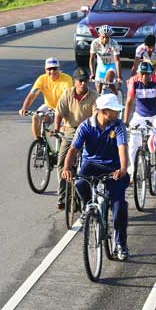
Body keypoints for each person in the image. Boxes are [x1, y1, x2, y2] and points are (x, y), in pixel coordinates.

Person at [61, 94, 130, 259]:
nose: (118, 113)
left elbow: (122, 148)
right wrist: (66, 167)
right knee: (79, 182)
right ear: (105, 112)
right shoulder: (86, 126)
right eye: (115, 110)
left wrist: (122, 168)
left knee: (118, 205)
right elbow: (73, 149)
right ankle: (87, 205)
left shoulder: (118, 125)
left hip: (113, 168)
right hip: (91, 165)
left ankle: (121, 243)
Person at [53, 68, 98, 210]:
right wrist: (56, 128)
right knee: (61, 161)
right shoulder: (67, 94)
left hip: (88, 130)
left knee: (91, 162)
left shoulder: (94, 96)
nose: (83, 84)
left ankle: (91, 194)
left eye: (85, 81)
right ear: (74, 82)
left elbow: (96, 117)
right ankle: (62, 196)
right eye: (80, 81)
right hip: (70, 130)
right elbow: (59, 113)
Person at [123, 61, 156, 177]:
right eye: (142, 74)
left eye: (147, 74)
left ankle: (155, 161)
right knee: (133, 144)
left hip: (155, 115)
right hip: (139, 115)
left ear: (151, 74)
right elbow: (129, 101)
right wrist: (125, 121)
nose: (144, 77)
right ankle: (133, 170)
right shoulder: (133, 81)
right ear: (138, 73)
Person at [19, 57, 73, 138]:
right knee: (35, 117)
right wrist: (24, 107)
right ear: (45, 69)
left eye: (54, 69)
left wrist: (60, 112)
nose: (52, 71)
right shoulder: (42, 79)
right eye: (49, 69)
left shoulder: (66, 79)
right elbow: (32, 95)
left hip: (63, 108)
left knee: (62, 132)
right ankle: (39, 143)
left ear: (58, 69)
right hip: (49, 107)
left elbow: (68, 96)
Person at [89, 25, 122, 93]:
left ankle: (116, 95)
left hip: (111, 65)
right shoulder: (95, 43)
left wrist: (119, 76)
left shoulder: (114, 43)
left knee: (108, 81)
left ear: (110, 37)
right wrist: (92, 73)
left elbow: (117, 61)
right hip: (100, 66)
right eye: (103, 37)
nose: (105, 39)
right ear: (99, 35)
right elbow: (92, 59)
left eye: (107, 37)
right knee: (98, 90)